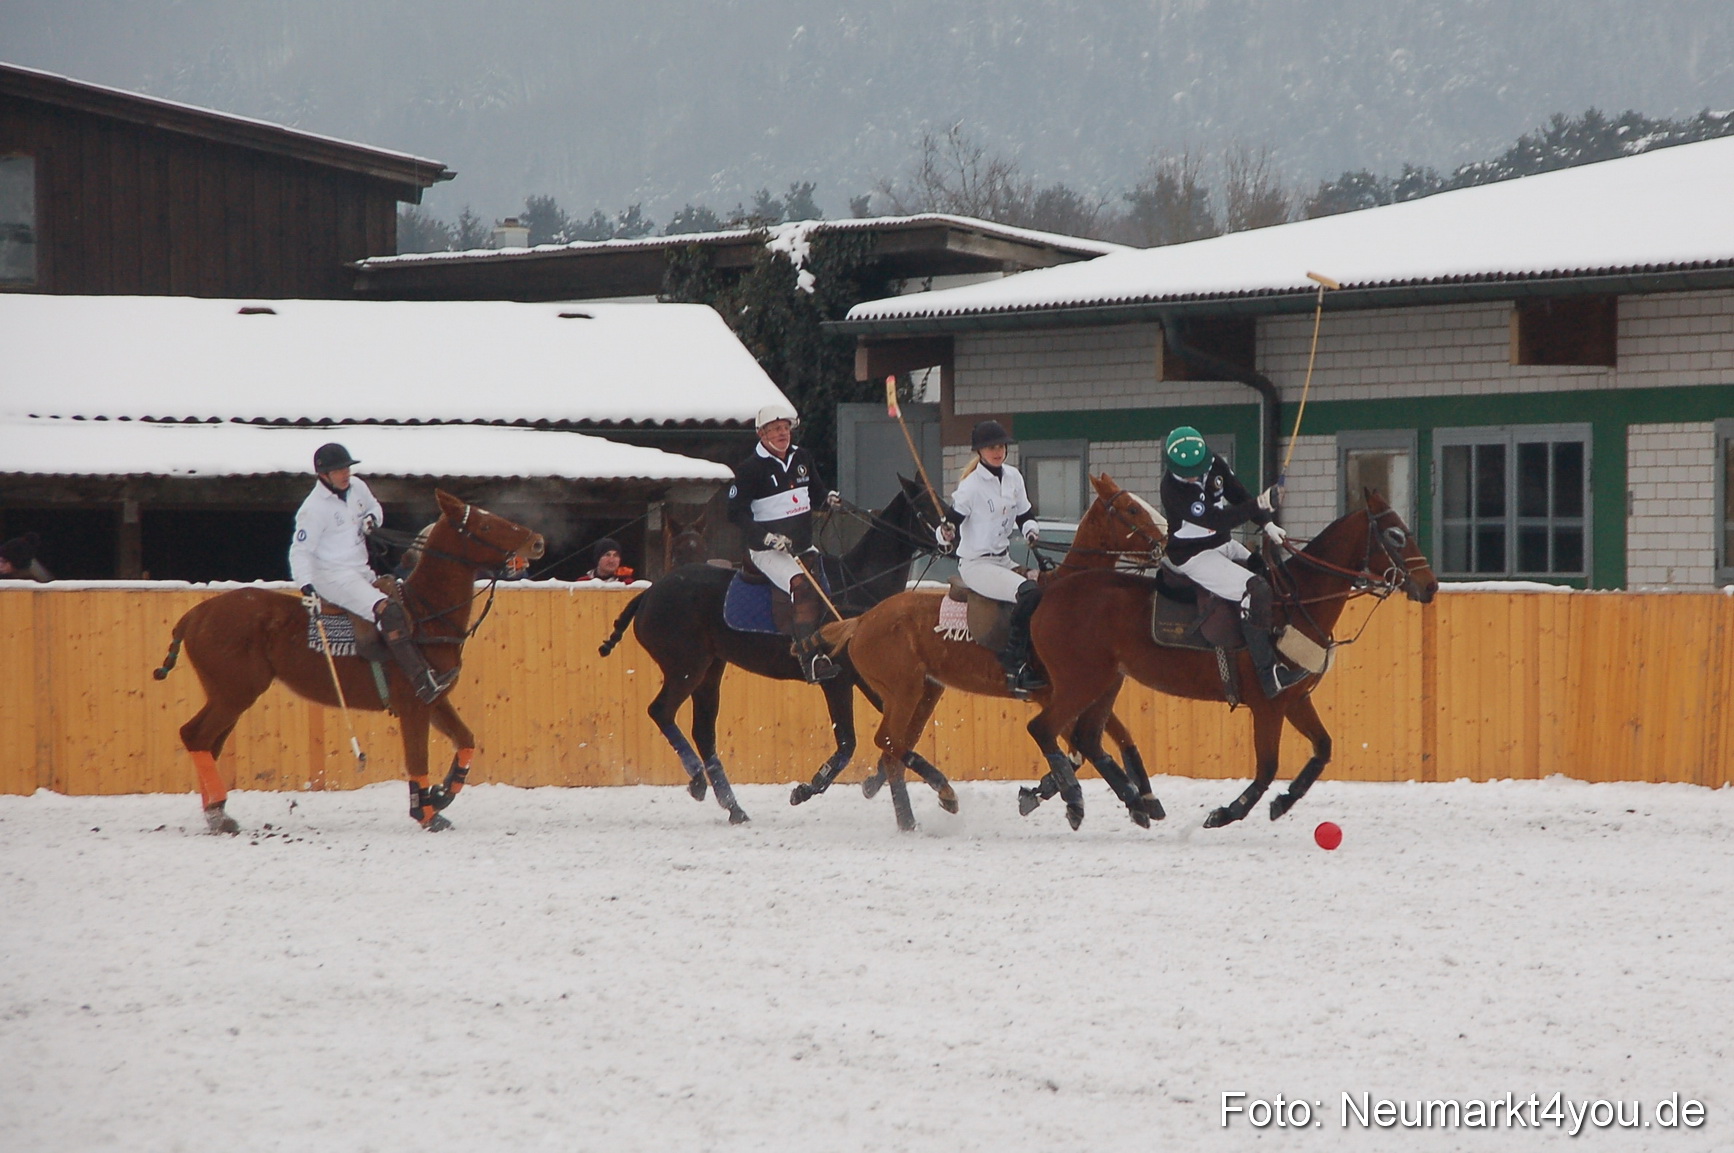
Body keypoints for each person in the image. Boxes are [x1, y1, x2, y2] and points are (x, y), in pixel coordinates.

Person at [289, 442, 456, 704]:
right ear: (324, 475)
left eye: (346, 468)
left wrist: (371, 520)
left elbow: (374, 507)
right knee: (386, 610)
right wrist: (306, 585)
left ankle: (389, 665)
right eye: (339, 470)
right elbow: (300, 551)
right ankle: (422, 680)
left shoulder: (357, 488)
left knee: (403, 602)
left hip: (360, 569)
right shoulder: (313, 510)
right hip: (333, 576)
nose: (346, 473)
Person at [1158, 425, 1307, 698]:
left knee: (1266, 570)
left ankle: (1276, 641)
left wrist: (1267, 524)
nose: (1194, 476)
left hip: (1222, 544)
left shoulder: (1213, 463)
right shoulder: (1172, 490)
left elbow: (1237, 494)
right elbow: (1217, 520)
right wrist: (1261, 504)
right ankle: (1269, 675)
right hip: (1193, 555)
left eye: (1197, 468)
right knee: (1256, 588)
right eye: (1187, 472)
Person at [727, 400, 841, 682]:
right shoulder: (750, 468)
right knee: (801, 587)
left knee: (835, 579)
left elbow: (815, 493)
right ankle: (809, 659)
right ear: (762, 434)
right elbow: (735, 513)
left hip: (802, 546)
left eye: (786, 428)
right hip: (768, 551)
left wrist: (827, 499)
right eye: (776, 429)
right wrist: (765, 537)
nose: (782, 433)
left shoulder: (802, 457)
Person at [936, 420, 1046, 696]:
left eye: (1000, 446)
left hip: (1003, 560)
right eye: (990, 447)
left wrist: (1031, 530)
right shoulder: (970, 488)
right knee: (1028, 593)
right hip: (978, 565)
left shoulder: (1013, 477)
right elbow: (950, 524)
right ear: (979, 452)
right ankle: (1014, 662)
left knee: (1049, 588)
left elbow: (1024, 514)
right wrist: (945, 533)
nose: (997, 451)